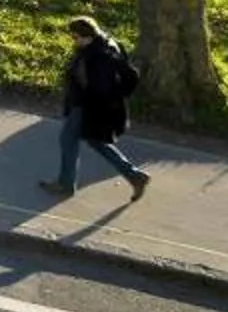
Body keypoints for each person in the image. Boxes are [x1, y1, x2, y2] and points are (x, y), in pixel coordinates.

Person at [39, 14, 149, 200]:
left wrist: (86, 99)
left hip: (86, 107)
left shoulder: (96, 56)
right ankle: (134, 175)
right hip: (96, 108)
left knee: (68, 140)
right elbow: (128, 75)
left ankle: (66, 184)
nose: (74, 41)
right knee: (97, 142)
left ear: (86, 35)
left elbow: (97, 86)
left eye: (76, 37)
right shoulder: (109, 44)